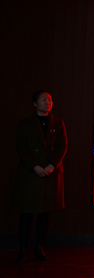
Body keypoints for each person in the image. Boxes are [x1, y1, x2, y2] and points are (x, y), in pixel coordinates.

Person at [11, 90, 67, 263]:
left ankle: (39, 246)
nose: (48, 102)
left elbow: (62, 146)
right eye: (44, 100)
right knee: (26, 213)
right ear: (35, 103)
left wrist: (51, 166)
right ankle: (22, 248)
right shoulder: (25, 123)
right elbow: (21, 147)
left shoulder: (58, 123)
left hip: (50, 173)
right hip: (30, 173)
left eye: (50, 100)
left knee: (45, 213)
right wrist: (35, 166)